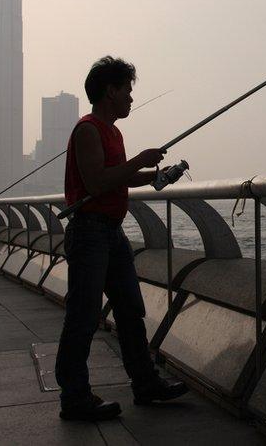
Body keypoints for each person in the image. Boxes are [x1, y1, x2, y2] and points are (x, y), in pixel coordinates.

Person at [56, 56, 188, 421]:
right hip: (89, 232)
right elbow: (97, 182)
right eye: (127, 90)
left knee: (131, 309)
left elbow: (118, 177)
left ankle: (145, 383)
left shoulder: (113, 131)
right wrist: (140, 160)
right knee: (83, 316)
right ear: (110, 91)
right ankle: (74, 397)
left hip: (111, 233)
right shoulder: (88, 129)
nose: (131, 97)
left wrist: (153, 176)